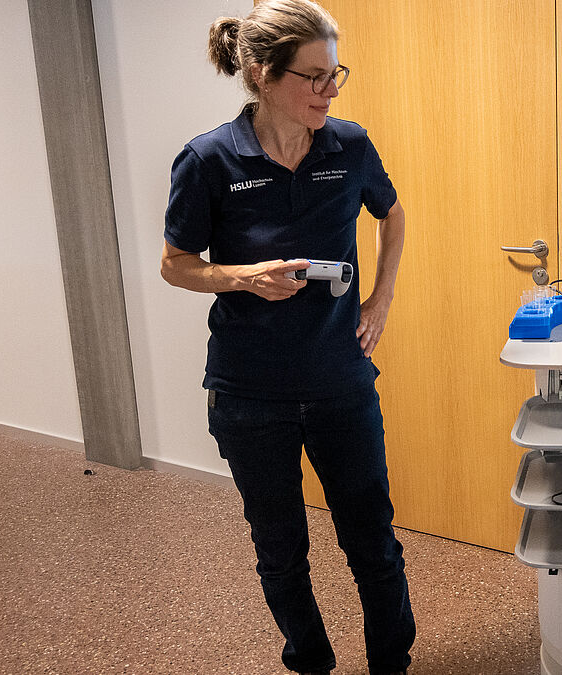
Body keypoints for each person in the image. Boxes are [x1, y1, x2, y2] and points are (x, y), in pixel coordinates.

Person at [159, 1, 414, 673]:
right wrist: (244, 277)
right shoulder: (209, 159)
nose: (331, 91)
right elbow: (176, 264)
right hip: (250, 394)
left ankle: (392, 663)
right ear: (263, 75)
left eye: (336, 75)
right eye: (314, 77)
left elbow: (392, 214)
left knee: (374, 544)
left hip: (341, 383)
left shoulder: (349, 145)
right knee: (280, 552)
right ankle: (311, 661)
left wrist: (381, 297)